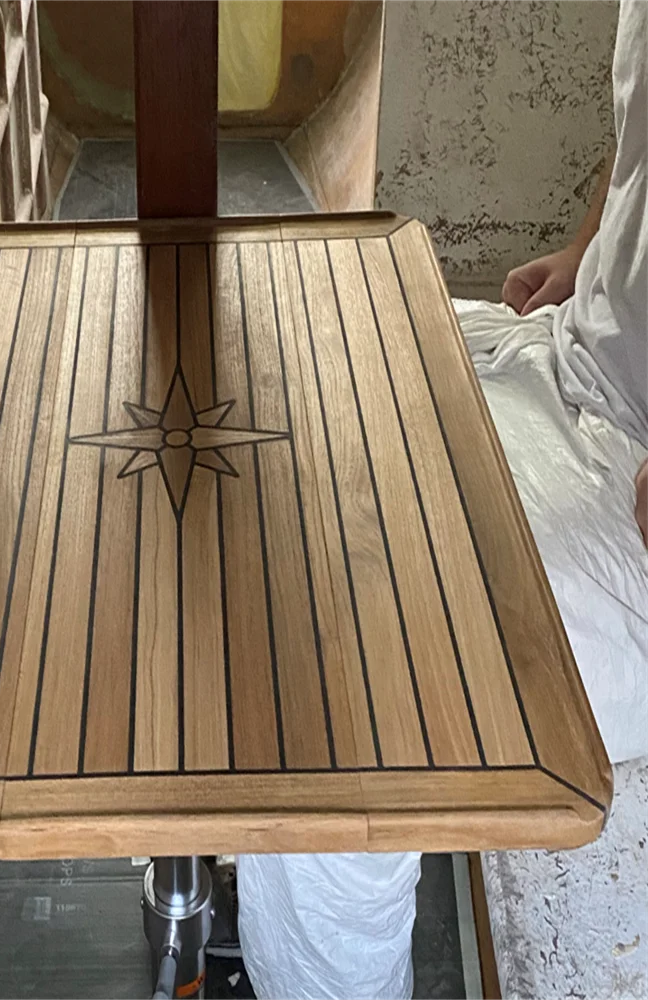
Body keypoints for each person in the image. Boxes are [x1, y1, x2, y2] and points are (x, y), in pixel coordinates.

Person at [239, 2, 646, 996]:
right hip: (578, 356)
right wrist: (590, 248)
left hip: (631, 490)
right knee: (286, 352)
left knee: (341, 719)